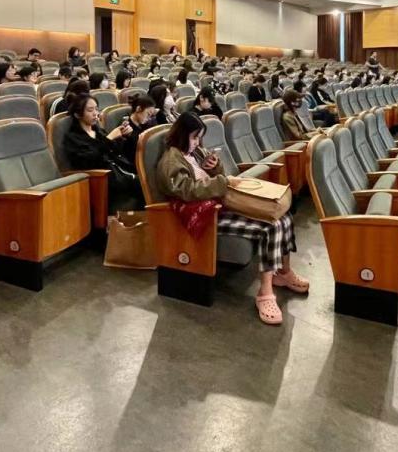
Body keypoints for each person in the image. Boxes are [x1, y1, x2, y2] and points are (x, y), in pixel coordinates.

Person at [156, 113, 307, 325]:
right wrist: (222, 181)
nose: (198, 142)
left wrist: (215, 168)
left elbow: (213, 179)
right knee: (270, 226)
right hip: (207, 215)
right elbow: (186, 190)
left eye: (199, 137)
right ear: (182, 135)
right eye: (194, 137)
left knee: (283, 216)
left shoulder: (193, 152)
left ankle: (284, 272)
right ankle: (265, 292)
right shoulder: (171, 160)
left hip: (218, 205)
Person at [63, 93, 143, 214]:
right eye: (90, 110)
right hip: (101, 179)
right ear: (77, 114)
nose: (96, 113)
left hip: (118, 172)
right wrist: (109, 139)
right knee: (146, 186)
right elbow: (89, 160)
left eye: (96, 109)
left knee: (148, 182)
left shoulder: (98, 130)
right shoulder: (73, 138)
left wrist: (123, 136)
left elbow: (115, 152)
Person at [118, 94, 157, 166]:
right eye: (148, 114)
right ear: (138, 109)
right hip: (134, 162)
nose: (149, 118)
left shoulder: (147, 123)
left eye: (151, 116)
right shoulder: (126, 126)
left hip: (147, 158)